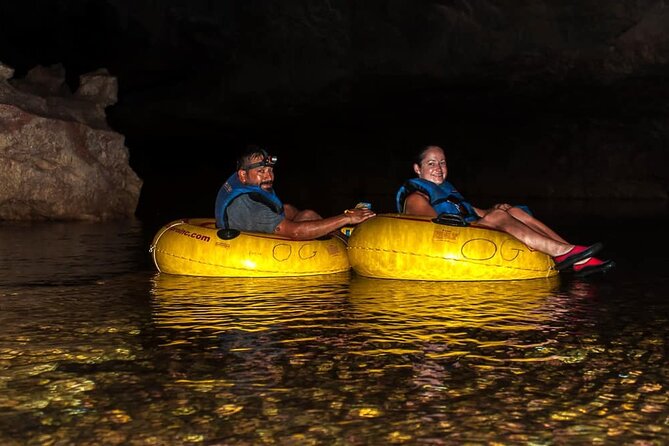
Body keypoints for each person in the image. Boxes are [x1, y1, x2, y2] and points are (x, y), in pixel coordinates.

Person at [396, 145, 615, 277]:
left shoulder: (447, 192)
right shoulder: (416, 196)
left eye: (442, 162)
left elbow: (477, 212)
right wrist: (491, 217)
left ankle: (575, 257)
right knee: (498, 216)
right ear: (418, 169)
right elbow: (430, 225)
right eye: (431, 163)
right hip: (453, 238)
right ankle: (564, 253)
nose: (439, 168)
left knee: (513, 211)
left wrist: (497, 209)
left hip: (468, 227)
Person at [215, 145, 375, 240]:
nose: (268, 176)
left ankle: (338, 232)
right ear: (243, 174)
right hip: (253, 251)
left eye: (270, 170)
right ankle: (343, 237)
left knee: (305, 214)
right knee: (307, 220)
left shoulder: (245, 182)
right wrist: (345, 217)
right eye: (261, 171)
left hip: (253, 227)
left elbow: (286, 210)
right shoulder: (248, 205)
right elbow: (296, 232)